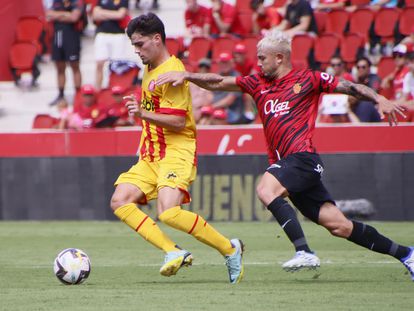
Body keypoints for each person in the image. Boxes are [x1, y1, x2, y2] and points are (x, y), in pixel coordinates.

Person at [156, 30, 414, 281]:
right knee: (340, 227)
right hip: (288, 165)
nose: (258, 63)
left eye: (262, 58)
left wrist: (379, 97)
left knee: (266, 190)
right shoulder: (257, 83)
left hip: (303, 158)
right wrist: (187, 75)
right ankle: (407, 254)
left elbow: (351, 87)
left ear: (279, 57)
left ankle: (304, 251)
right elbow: (218, 81)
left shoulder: (309, 79)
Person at [111, 13, 244, 284]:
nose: (136, 50)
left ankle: (230, 250)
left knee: (168, 212)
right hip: (151, 153)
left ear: (157, 39)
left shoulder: (172, 73)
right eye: (134, 45)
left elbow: (177, 121)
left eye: (140, 44)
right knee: (120, 200)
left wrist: (142, 116)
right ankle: (173, 252)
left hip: (176, 149)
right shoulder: (149, 66)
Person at [46, 0, 83, 106]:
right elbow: (49, 14)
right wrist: (66, 14)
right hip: (57, 35)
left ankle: (78, 94)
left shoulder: (76, 2)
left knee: (74, 65)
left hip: (71, 36)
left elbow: (74, 17)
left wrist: (58, 15)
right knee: (59, 66)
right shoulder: (55, 2)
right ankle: (61, 94)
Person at [92, 0, 130, 90]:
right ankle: (98, 91)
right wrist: (114, 14)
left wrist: (102, 13)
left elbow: (120, 15)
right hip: (102, 33)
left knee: (117, 65)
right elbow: (95, 15)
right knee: (99, 63)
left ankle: (116, 90)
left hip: (118, 34)